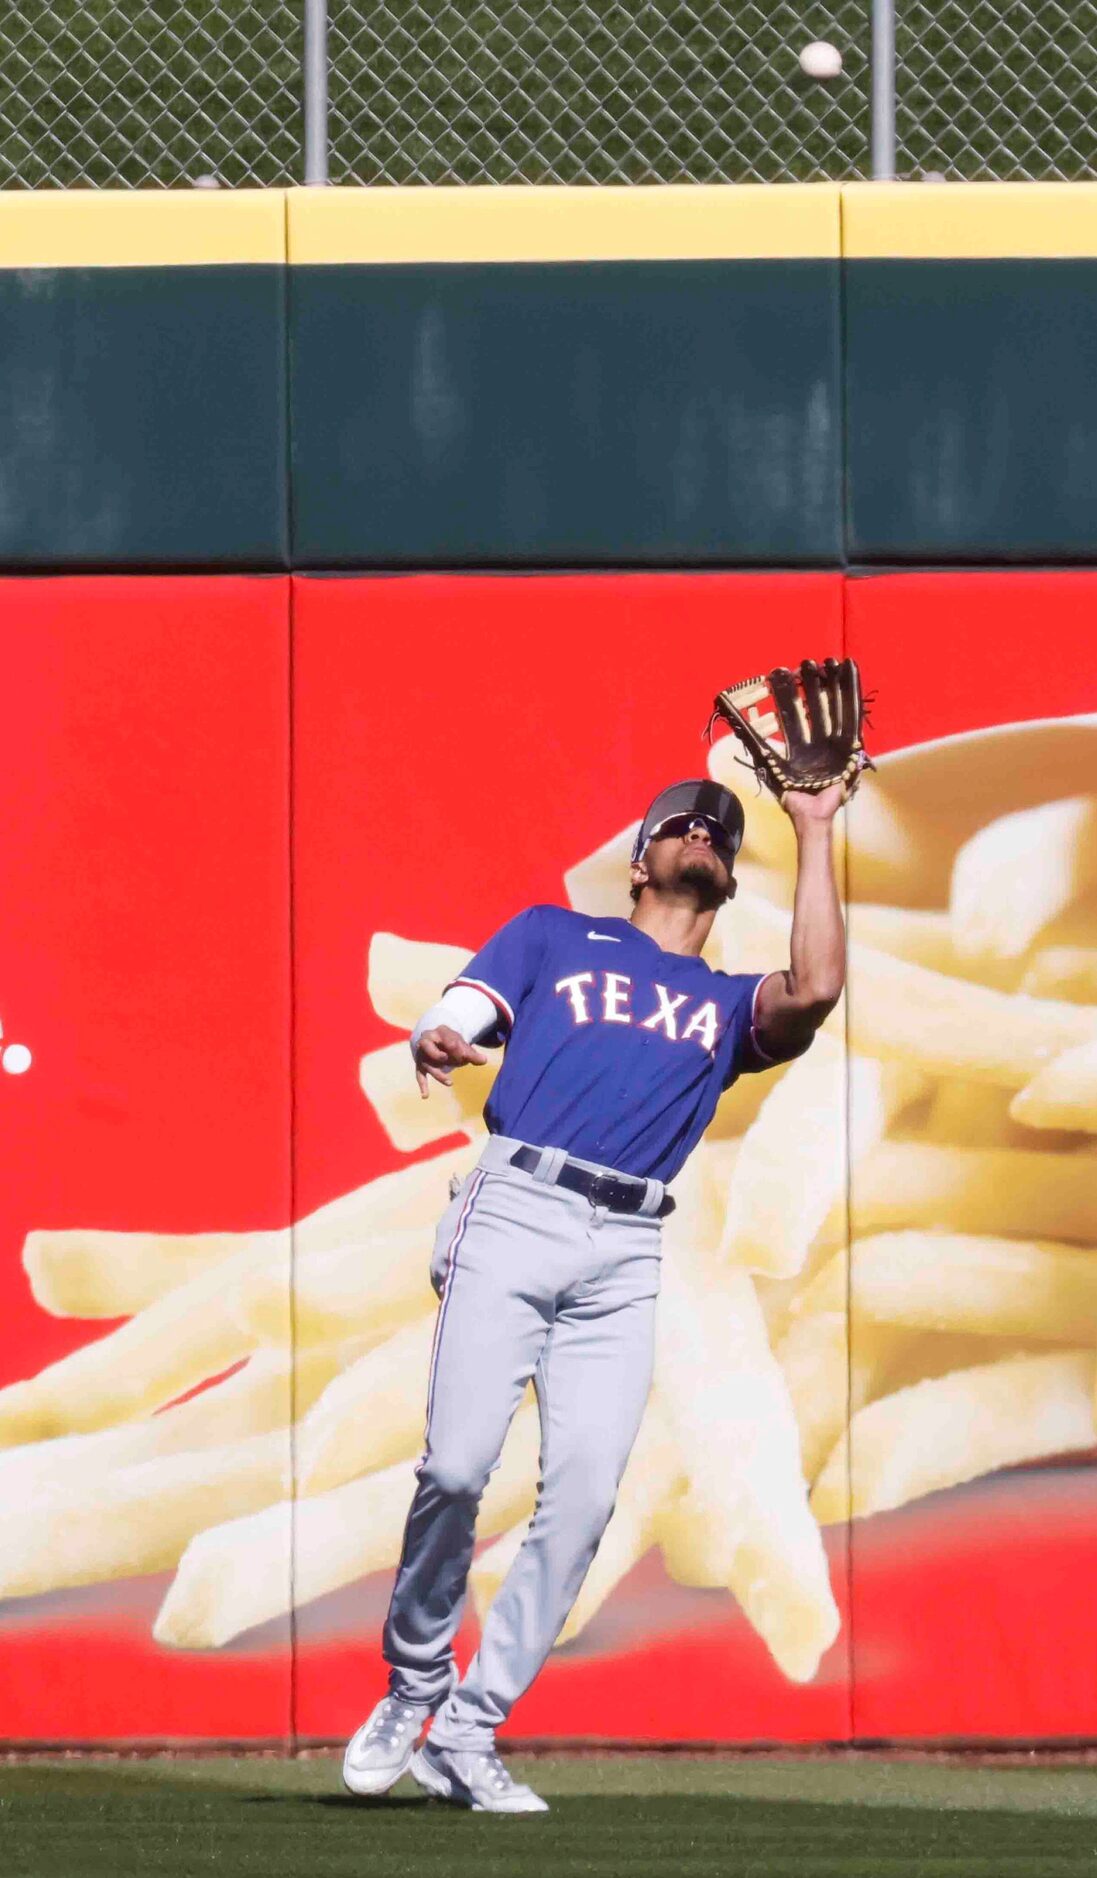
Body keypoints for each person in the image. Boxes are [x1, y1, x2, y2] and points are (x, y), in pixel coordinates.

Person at [343, 775, 846, 1812]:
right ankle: (413, 1682)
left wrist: (812, 824)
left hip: (626, 1246)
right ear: (639, 859)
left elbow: (814, 989)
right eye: (681, 822)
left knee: (578, 1502)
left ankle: (468, 1733)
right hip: (515, 1206)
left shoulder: (723, 1001)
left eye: (720, 830)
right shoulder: (553, 936)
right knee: (454, 1469)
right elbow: (472, 1000)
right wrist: (440, 1029)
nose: (701, 831)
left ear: (729, 874)